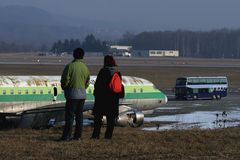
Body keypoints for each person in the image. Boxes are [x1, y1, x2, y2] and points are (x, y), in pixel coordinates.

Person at [59, 48, 90, 141]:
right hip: (82, 95)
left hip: (72, 95)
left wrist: (65, 87)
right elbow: (87, 82)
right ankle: (78, 136)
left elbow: (65, 80)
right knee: (79, 116)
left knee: (69, 116)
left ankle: (67, 136)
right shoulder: (85, 67)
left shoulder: (70, 66)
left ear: (74, 55)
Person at [91, 55, 124, 139]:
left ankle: (96, 135)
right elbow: (119, 87)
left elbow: (97, 85)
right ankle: (108, 136)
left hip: (102, 99)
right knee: (111, 119)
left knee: (98, 118)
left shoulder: (103, 71)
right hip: (113, 99)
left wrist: (96, 94)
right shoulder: (117, 73)